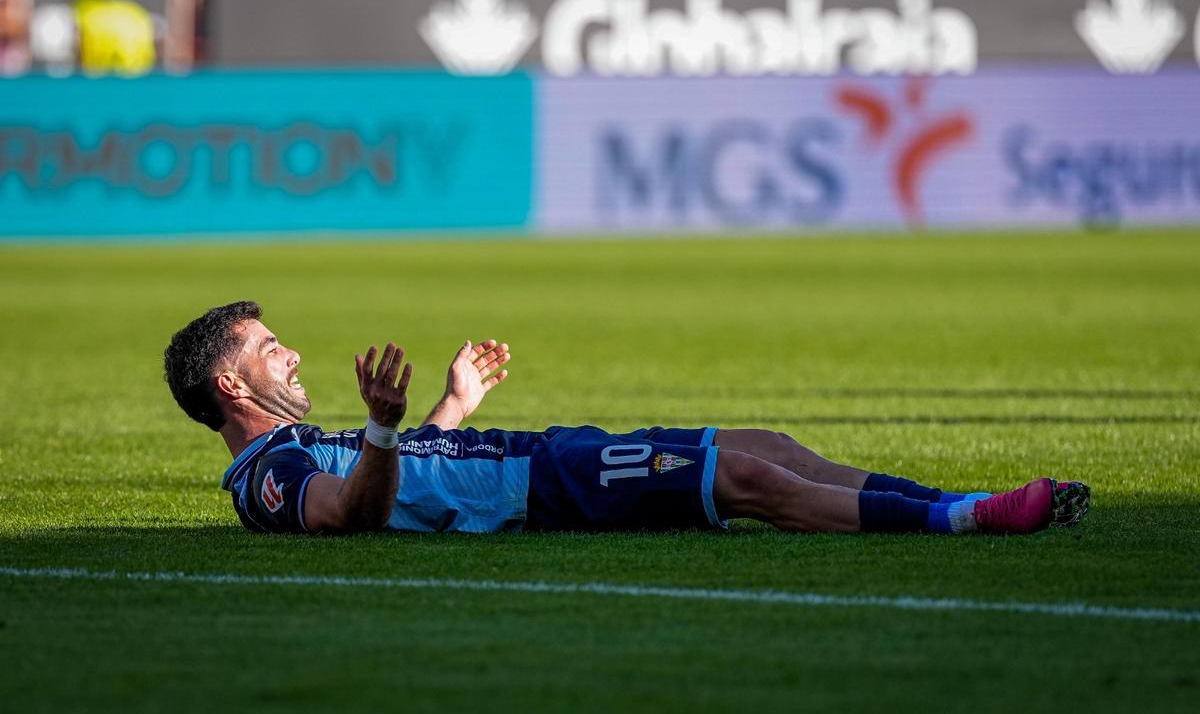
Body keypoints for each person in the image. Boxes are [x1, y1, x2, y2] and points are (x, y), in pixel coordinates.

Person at [163, 301, 1090, 537]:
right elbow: (351, 516)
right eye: (267, 348)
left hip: (529, 453)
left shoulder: (293, 443)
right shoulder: (267, 476)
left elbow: (408, 471)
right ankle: (966, 521)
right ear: (232, 388)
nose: (289, 354)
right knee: (747, 481)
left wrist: (447, 407)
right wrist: (382, 429)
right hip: (535, 490)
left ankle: (962, 499)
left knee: (766, 443)